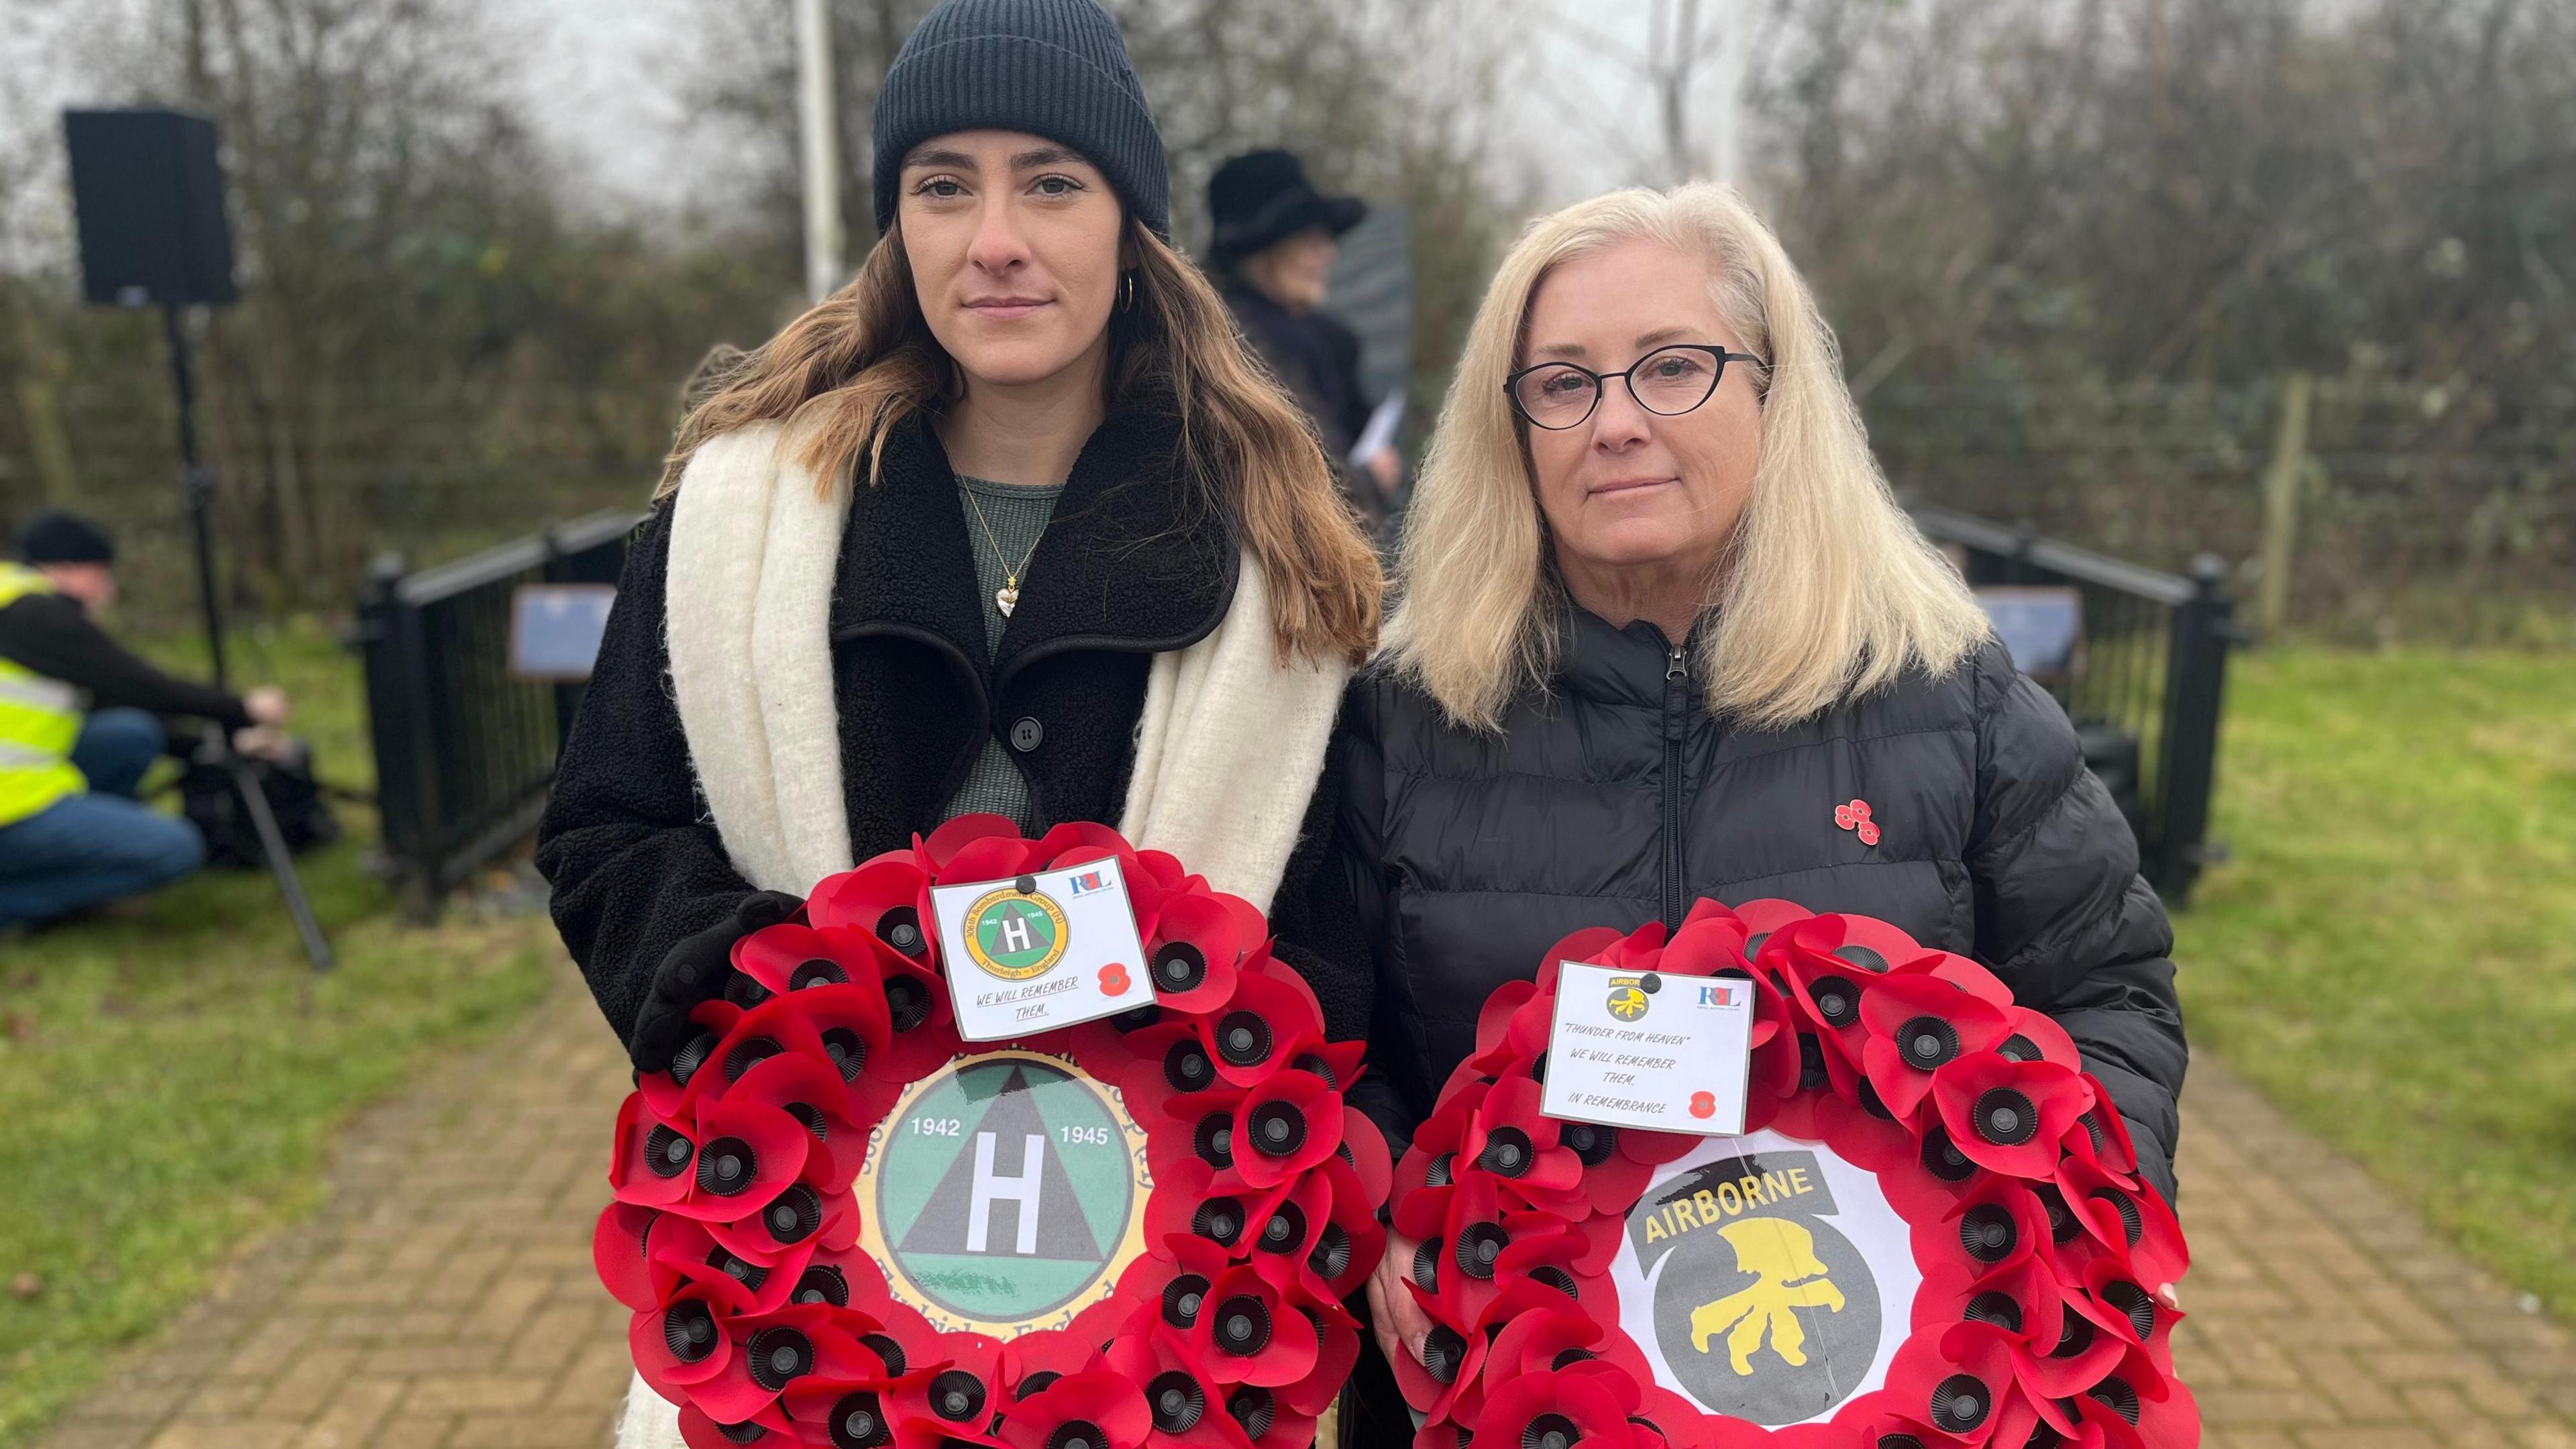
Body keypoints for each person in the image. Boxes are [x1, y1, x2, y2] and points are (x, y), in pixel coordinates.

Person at [531, 2, 1381, 1442]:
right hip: (813, 1279)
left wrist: (1203, 1059)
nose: (996, 236)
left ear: (1132, 225)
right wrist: (785, 1000)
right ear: (899, 229)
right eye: (944, 184)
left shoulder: (1281, 550)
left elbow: (1344, 897)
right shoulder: (736, 518)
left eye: (1051, 181)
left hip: (1157, 1316)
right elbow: (608, 829)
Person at [1295, 183, 2189, 1428]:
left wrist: (2047, 1224)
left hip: (1875, 1394)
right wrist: (1385, 1207)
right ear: (1512, 430)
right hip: (1505, 1393)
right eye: (1562, 382)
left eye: (1672, 368)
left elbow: (2109, 998)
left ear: (1775, 394)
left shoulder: (1948, 697)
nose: (1613, 423)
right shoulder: (1407, 716)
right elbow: (1331, 1051)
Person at [0, 510, 290, 928]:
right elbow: (140, 683)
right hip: (12, 808)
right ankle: (15, 902)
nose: (108, 593)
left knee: (131, 734)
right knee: (176, 849)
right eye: (101, 575)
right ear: (62, 569)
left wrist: (217, 744)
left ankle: (80, 865)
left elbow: (112, 702)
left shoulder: (17, 608)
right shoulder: (35, 616)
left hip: (21, 785)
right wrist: (243, 708)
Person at [1210, 148, 1403, 533]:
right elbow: (1306, 496)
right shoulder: (1260, 346)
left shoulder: (1313, 338)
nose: (1329, 254)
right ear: (1264, 250)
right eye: (1311, 239)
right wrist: (1371, 480)